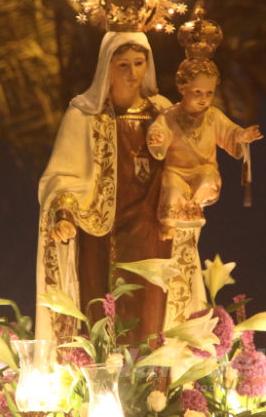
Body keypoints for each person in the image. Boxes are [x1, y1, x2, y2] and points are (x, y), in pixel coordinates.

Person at [35, 32, 173, 343]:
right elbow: (62, 176)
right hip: (101, 232)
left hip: (151, 232)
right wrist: (65, 215)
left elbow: (185, 159)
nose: (133, 73)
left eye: (139, 63)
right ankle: (101, 374)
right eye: (123, 64)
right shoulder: (84, 114)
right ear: (106, 66)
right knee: (102, 314)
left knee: (151, 320)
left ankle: (154, 377)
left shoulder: (162, 112)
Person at [147, 58, 263, 240]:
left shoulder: (213, 117)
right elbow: (159, 130)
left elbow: (230, 132)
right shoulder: (170, 116)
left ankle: (193, 208)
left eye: (209, 93)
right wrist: (158, 137)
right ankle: (169, 223)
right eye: (197, 92)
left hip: (204, 170)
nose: (204, 99)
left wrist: (243, 136)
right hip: (176, 171)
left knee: (207, 180)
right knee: (171, 188)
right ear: (182, 87)